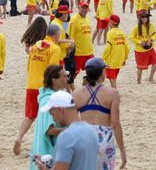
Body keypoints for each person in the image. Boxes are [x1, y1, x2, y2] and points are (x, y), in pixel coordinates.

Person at [14, 24, 61, 156]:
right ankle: (45, 144)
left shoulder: (35, 46)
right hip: (44, 87)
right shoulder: (54, 48)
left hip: (31, 84)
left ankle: (19, 137)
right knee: (48, 117)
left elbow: (29, 66)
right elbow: (52, 71)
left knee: (29, 115)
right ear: (56, 35)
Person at [72, 58, 127, 170]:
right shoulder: (112, 93)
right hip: (105, 141)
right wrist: (122, 150)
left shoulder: (76, 94)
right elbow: (115, 124)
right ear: (102, 73)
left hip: (84, 139)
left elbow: (71, 121)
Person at [36, 90, 98, 170]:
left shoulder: (66, 136)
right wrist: (53, 160)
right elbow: (80, 160)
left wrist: (44, 168)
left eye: (52, 114)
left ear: (60, 110)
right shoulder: (91, 131)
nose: (54, 119)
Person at [29, 65, 68, 170]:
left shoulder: (49, 96)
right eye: (64, 77)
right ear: (54, 80)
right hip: (46, 151)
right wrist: (70, 131)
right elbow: (50, 130)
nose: (67, 79)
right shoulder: (48, 99)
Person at [129, 10, 156, 84]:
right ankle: (138, 81)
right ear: (140, 18)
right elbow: (131, 37)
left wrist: (151, 40)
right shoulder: (136, 28)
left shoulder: (150, 26)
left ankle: (151, 77)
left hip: (150, 48)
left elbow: (154, 35)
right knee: (140, 67)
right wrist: (140, 42)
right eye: (143, 17)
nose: (145, 18)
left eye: (147, 16)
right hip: (140, 50)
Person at [102, 15, 130, 89]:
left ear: (111, 23)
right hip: (119, 60)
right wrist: (124, 58)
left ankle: (114, 95)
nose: (108, 23)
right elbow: (127, 47)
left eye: (109, 22)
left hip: (112, 61)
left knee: (112, 82)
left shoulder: (110, 32)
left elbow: (108, 47)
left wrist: (103, 58)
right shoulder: (121, 32)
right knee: (113, 79)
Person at [68, 1, 94, 75]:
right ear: (79, 7)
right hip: (78, 53)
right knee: (74, 74)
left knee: (91, 74)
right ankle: (69, 86)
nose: (84, 10)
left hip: (88, 52)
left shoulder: (87, 19)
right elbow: (71, 37)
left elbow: (87, 36)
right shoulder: (74, 20)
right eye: (83, 7)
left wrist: (92, 52)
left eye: (86, 8)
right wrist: (70, 51)